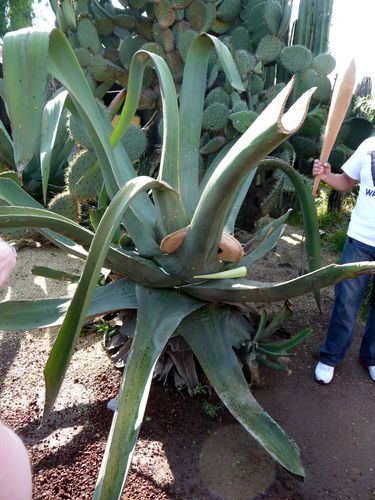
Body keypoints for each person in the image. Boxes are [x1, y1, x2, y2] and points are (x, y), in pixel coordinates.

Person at [312, 136, 375, 384]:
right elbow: (347, 181)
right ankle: (330, 357)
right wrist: (326, 176)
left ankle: (371, 357)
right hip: (360, 240)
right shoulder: (369, 145)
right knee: (346, 304)